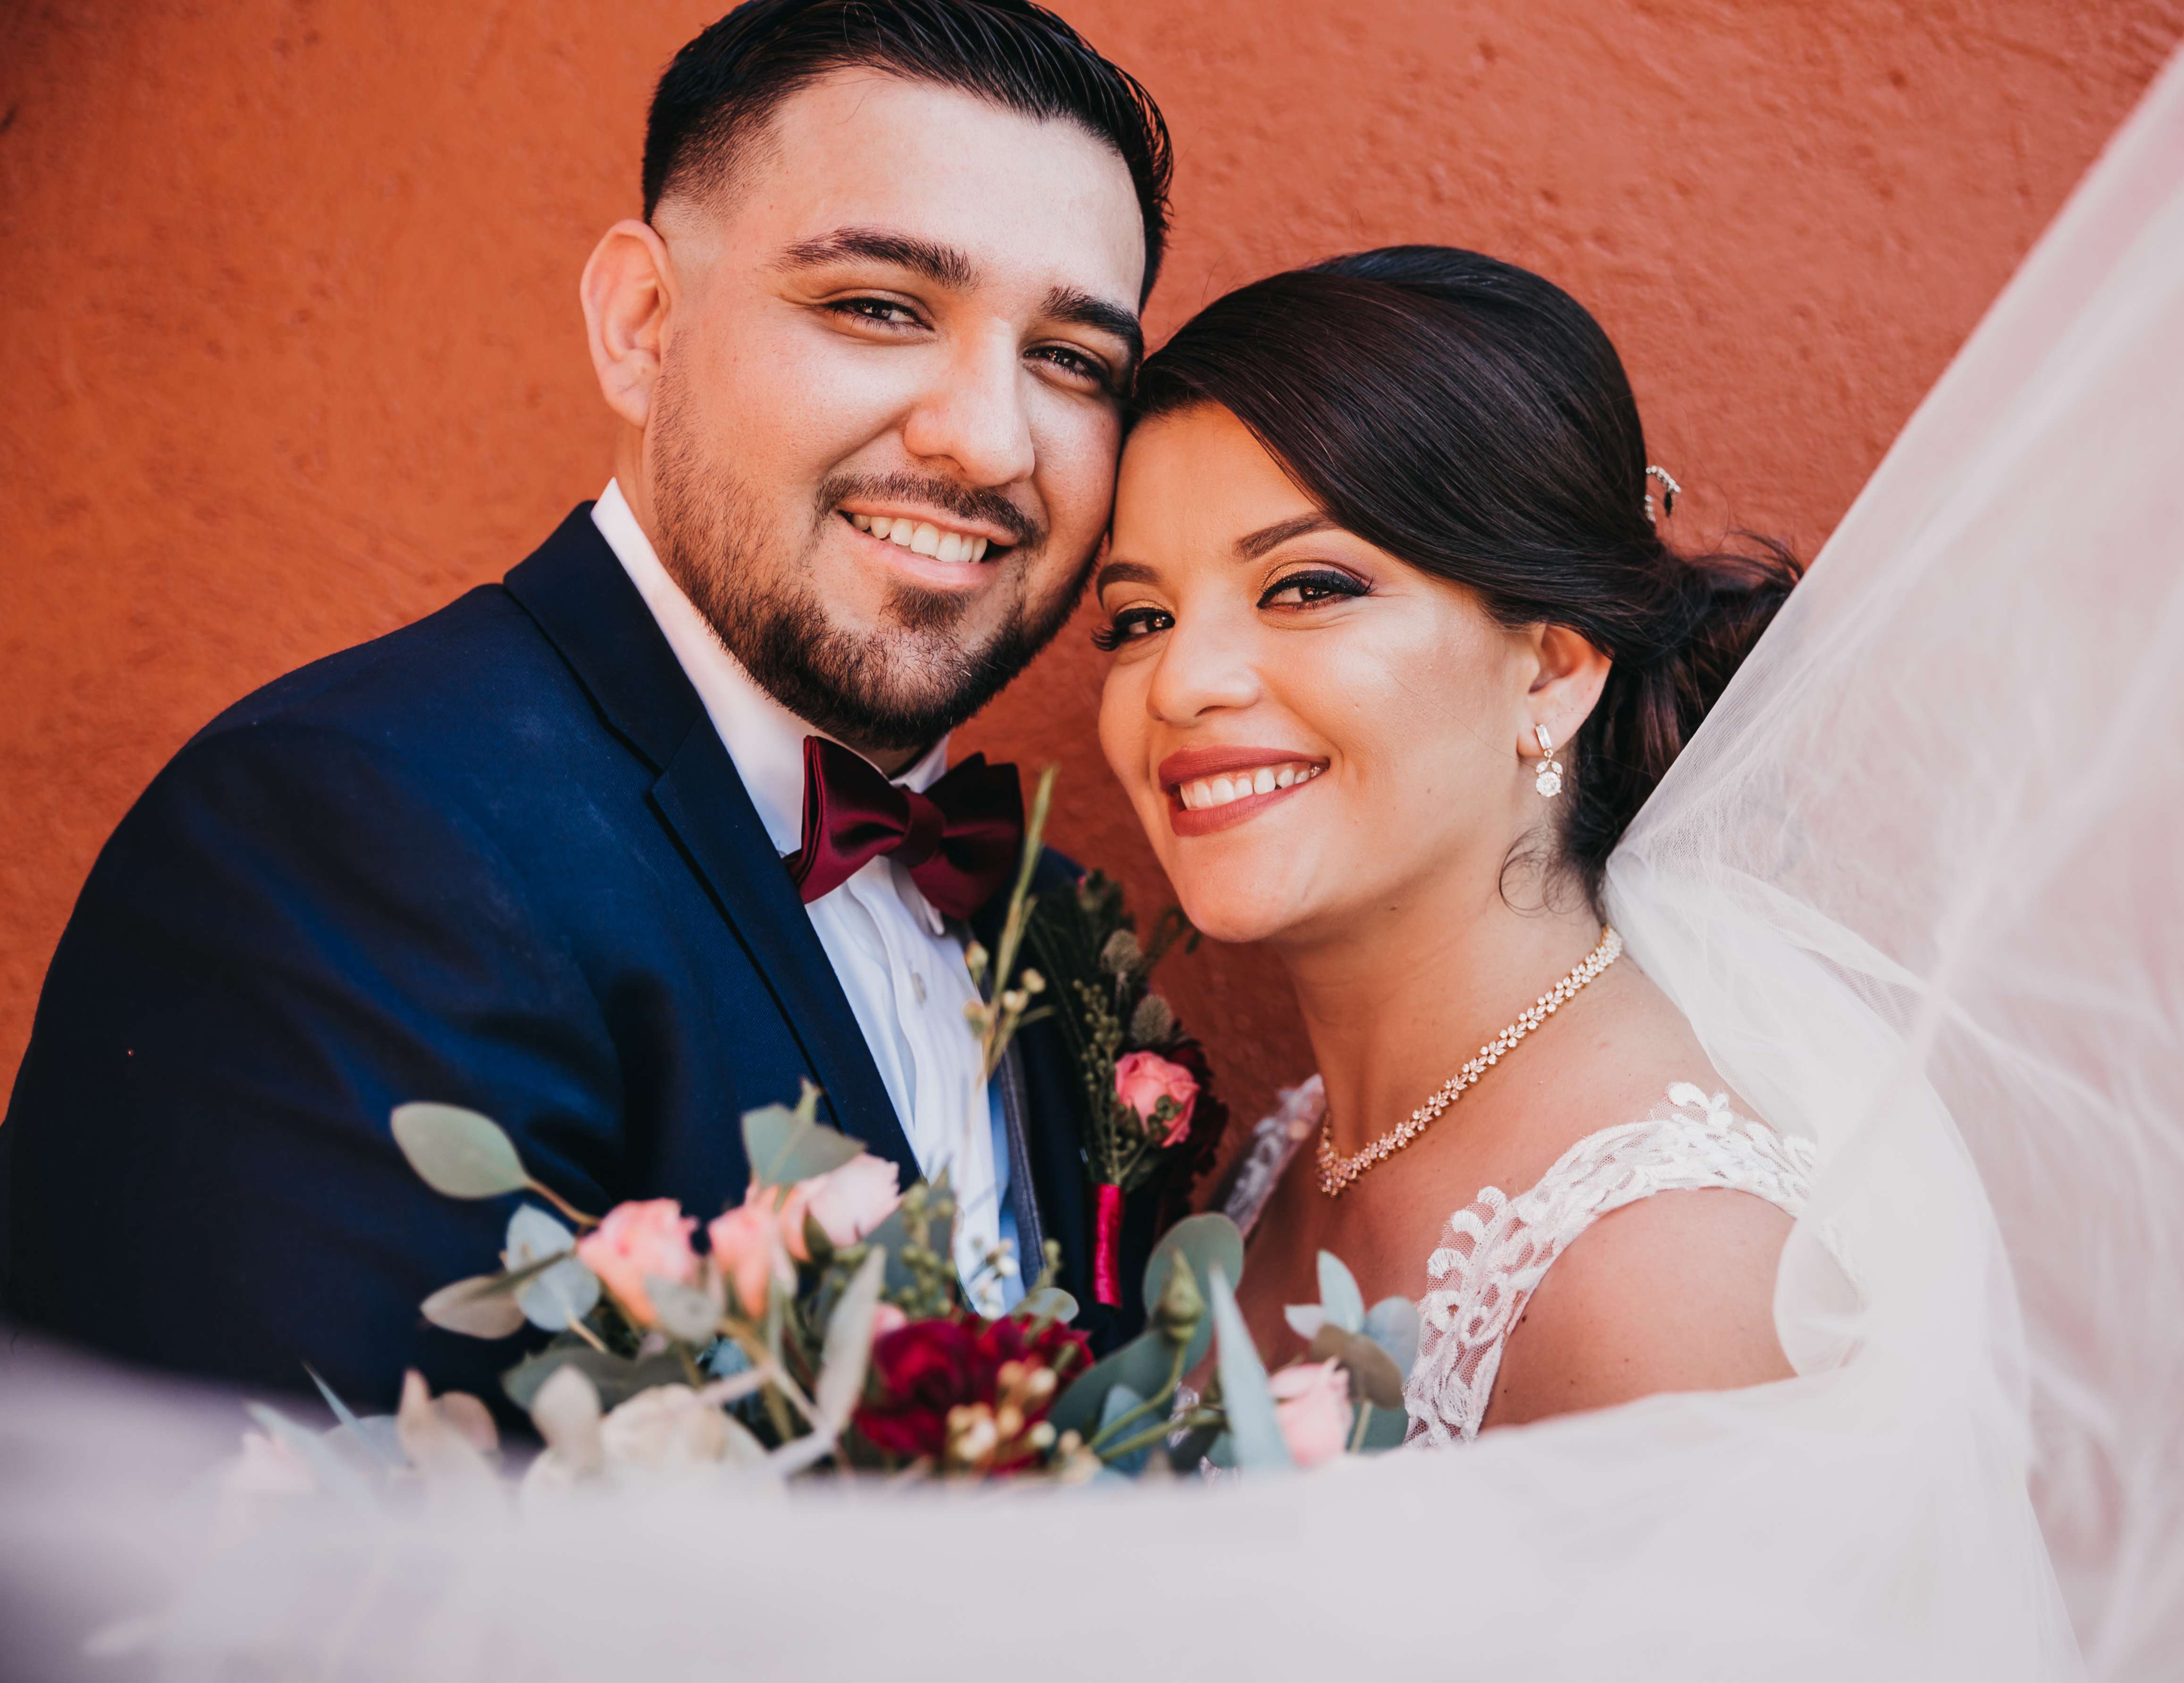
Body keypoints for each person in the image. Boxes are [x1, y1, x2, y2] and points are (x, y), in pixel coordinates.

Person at [0, 0, 1177, 1407]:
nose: (989, 439)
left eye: (1072, 361)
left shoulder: (1051, 941)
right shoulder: (340, 836)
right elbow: (250, 1585)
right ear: (642, 323)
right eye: (878, 305)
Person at [1093, 250, 1811, 1439]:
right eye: (1138, 618)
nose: (1181, 682)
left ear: (1548, 668)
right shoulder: (1288, 1150)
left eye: (1306, 585)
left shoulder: (1669, 1275)